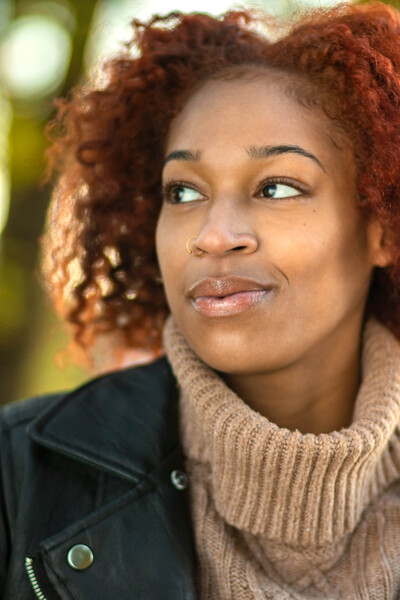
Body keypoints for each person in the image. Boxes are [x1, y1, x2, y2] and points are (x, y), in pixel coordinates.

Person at [2, 1, 400, 598]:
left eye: (277, 187)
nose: (212, 235)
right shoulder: (17, 474)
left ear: (383, 230)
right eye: (183, 191)